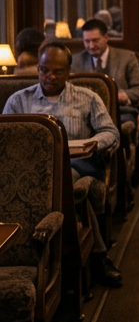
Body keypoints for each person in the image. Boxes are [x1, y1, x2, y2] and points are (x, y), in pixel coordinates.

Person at [3, 43, 123, 287]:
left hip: (78, 166)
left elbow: (111, 133)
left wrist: (89, 144)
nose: (50, 77)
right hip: (29, 175)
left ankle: (87, 260)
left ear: (69, 71)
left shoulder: (88, 97)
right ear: (38, 69)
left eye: (57, 71)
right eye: (45, 70)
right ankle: (96, 257)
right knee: (63, 188)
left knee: (64, 178)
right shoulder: (19, 101)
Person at [71, 17, 139, 124]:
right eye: (87, 41)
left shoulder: (127, 58)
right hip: (86, 114)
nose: (91, 46)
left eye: (95, 41)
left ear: (106, 37)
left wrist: (124, 95)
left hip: (119, 112)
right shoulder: (76, 60)